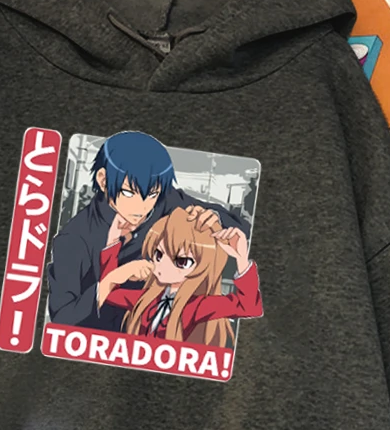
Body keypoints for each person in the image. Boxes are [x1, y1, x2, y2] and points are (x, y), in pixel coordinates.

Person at [46, 130, 250, 330]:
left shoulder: (167, 201)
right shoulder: (75, 238)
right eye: (129, 193)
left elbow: (242, 229)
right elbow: (63, 317)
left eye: (152, 194)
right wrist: (111, 280)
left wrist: (215, 220)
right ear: (103, 180)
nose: (142, 207)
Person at [97, 206, 262, 345]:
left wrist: (241, 260)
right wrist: (113, 240)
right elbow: (107, 293)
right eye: (158, 255)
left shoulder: (197, 306)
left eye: (182, 262)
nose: (163, 265)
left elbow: (249, 307)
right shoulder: (146, 299)